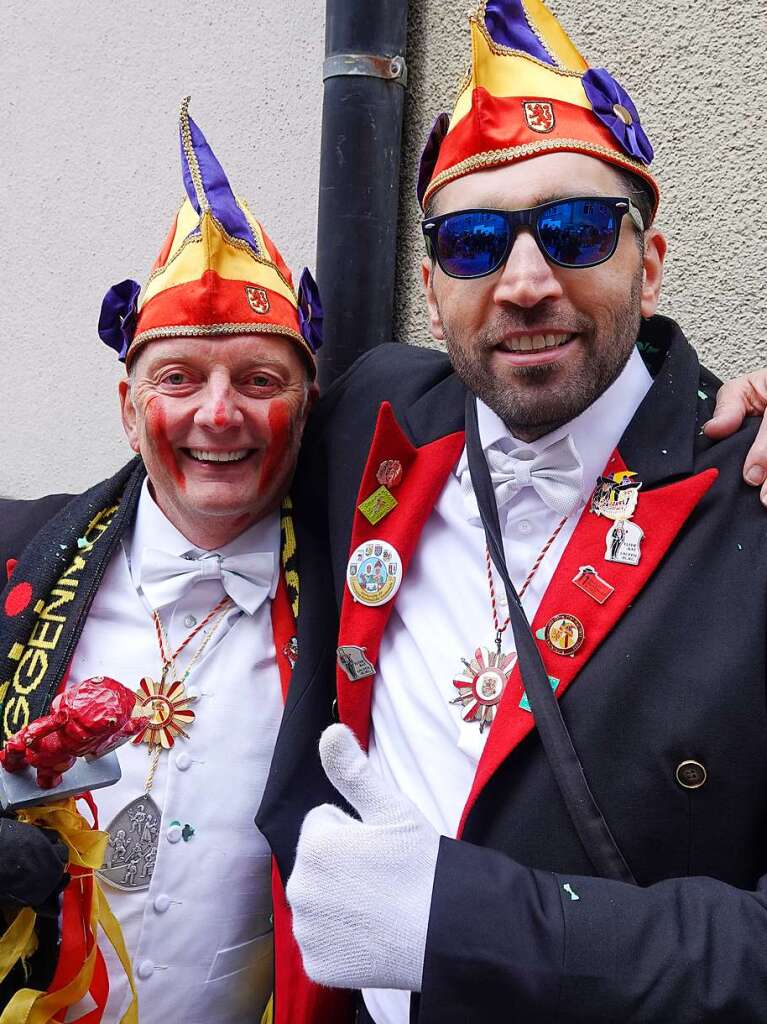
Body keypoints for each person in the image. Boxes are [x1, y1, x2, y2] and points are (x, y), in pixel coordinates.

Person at [257, 2, 767, 1021]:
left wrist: (474, 923)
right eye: (473, 241)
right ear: (432, 283)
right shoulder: (373, 411)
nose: (524, 282)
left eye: (574, 230)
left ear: (649, 261)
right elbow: (197, 466)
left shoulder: (747, 509)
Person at [0, 99, 342, 1024]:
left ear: (305, 411)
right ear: (127, 406)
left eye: (260, 381)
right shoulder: (10, 559)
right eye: (179, 378)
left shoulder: (366, 603)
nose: (217, 414)